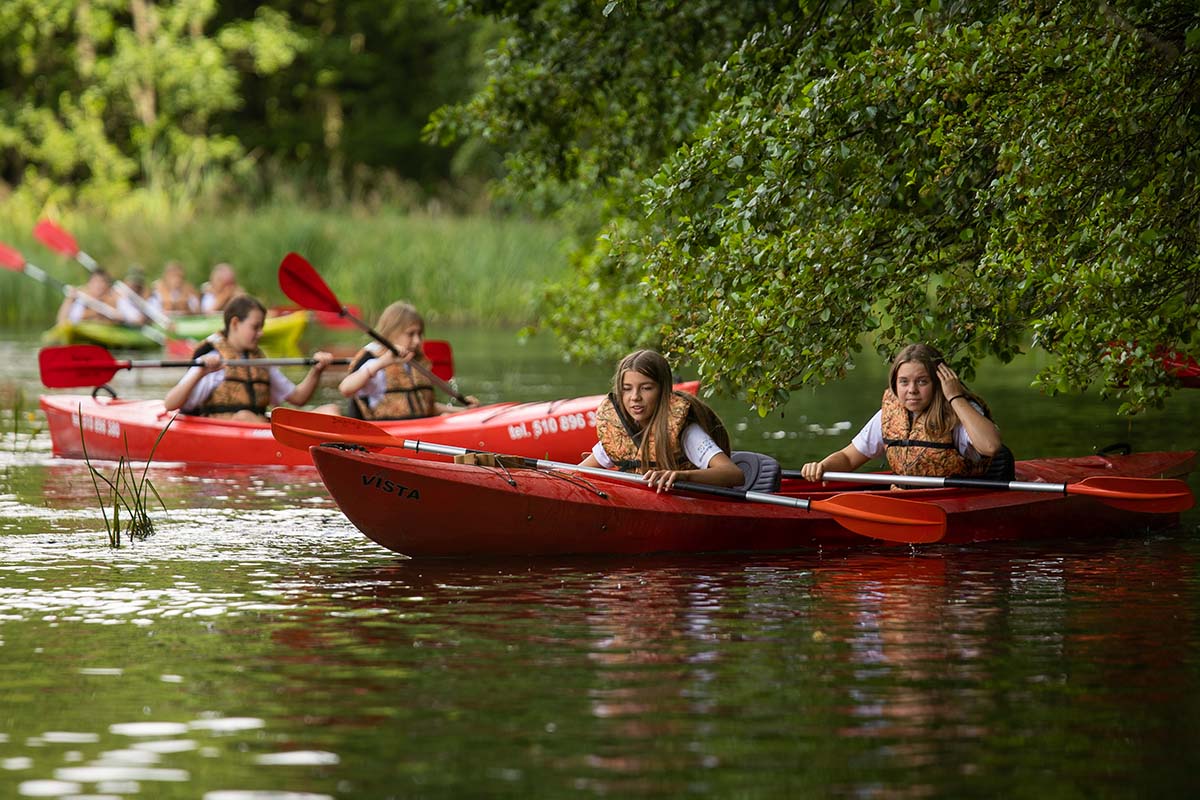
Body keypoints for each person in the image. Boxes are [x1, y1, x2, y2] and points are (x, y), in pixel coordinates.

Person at [800, 343, 1009, 482]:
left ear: (939, 383)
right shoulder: (890, 414)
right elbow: (847, 458)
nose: (912, 390)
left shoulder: (959, 411)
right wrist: (821, 467)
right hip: (906, 497)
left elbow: (991, 446)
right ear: (895, 384)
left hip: (957, 499)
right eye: (904, 382)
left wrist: (955, 397)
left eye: (922, 381)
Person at [579, 349, 745, 493]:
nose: (635, 397)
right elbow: (578, 473)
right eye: (627, 389)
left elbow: (734, 474)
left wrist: (682, 477)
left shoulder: (686, 432)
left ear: (663, 390)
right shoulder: (617, 432)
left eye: (646, 388)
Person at [164, 294, 335, 421]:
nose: (260, 333)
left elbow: (298, 398)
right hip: (227, 431)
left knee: (330, 410)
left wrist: (316, 371)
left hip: (260, 427)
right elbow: (171, 404)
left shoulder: (259, 362)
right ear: (235, 323)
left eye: (262, 327)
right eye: (255, 327)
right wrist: (201, 372)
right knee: (244, 416)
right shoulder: (212, 360)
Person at [338, 301, 478, 418]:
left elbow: (426, 408)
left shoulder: (415, 360)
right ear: (391, 332)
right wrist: (383, 363)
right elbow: (345, 389)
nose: (417, 341)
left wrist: (463, 412)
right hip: (387, 435)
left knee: (445, 417)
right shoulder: (373, 359)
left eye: (419, 334)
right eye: (411, 334)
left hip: (420, 431)